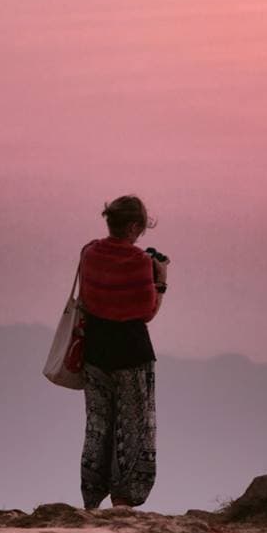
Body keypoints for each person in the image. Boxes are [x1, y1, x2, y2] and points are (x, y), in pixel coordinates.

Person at [78, 195, 168, 510]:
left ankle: (91, 500)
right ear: (132, 226)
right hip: (132, 353)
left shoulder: (89, 254)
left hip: (95, 352)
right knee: (133, 427)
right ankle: (123, 500)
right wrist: (161, 281)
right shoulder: (141, 262)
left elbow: (88, 301)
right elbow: (146, 312)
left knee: (98, 425)